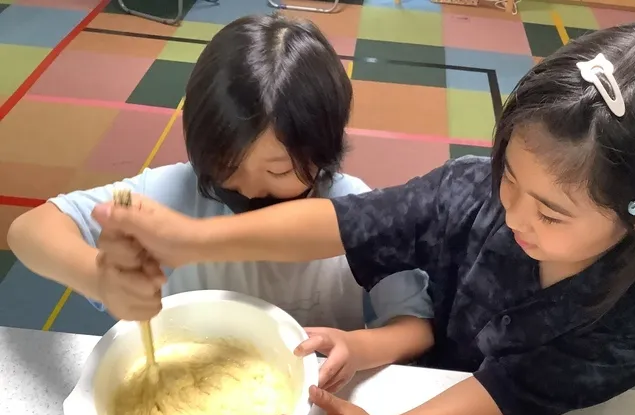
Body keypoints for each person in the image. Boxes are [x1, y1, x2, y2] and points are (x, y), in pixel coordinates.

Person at [64, 21, 635, 415]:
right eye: (511, 176)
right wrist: (193, 238)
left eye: (551, 212)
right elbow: (351, 222)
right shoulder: (471, 189)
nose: (514, 214)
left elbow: (513, 393)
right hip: (413, 386)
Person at [6, 14, 434, 384]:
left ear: (324, 149)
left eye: (278, 170)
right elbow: (30, 229)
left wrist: (359, 346)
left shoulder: (357, 210)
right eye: (226, 165)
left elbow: (414, 326)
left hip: (313, 395)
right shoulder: (173, 193)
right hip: (188, 384)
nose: (246, 189)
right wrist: (97, 277)